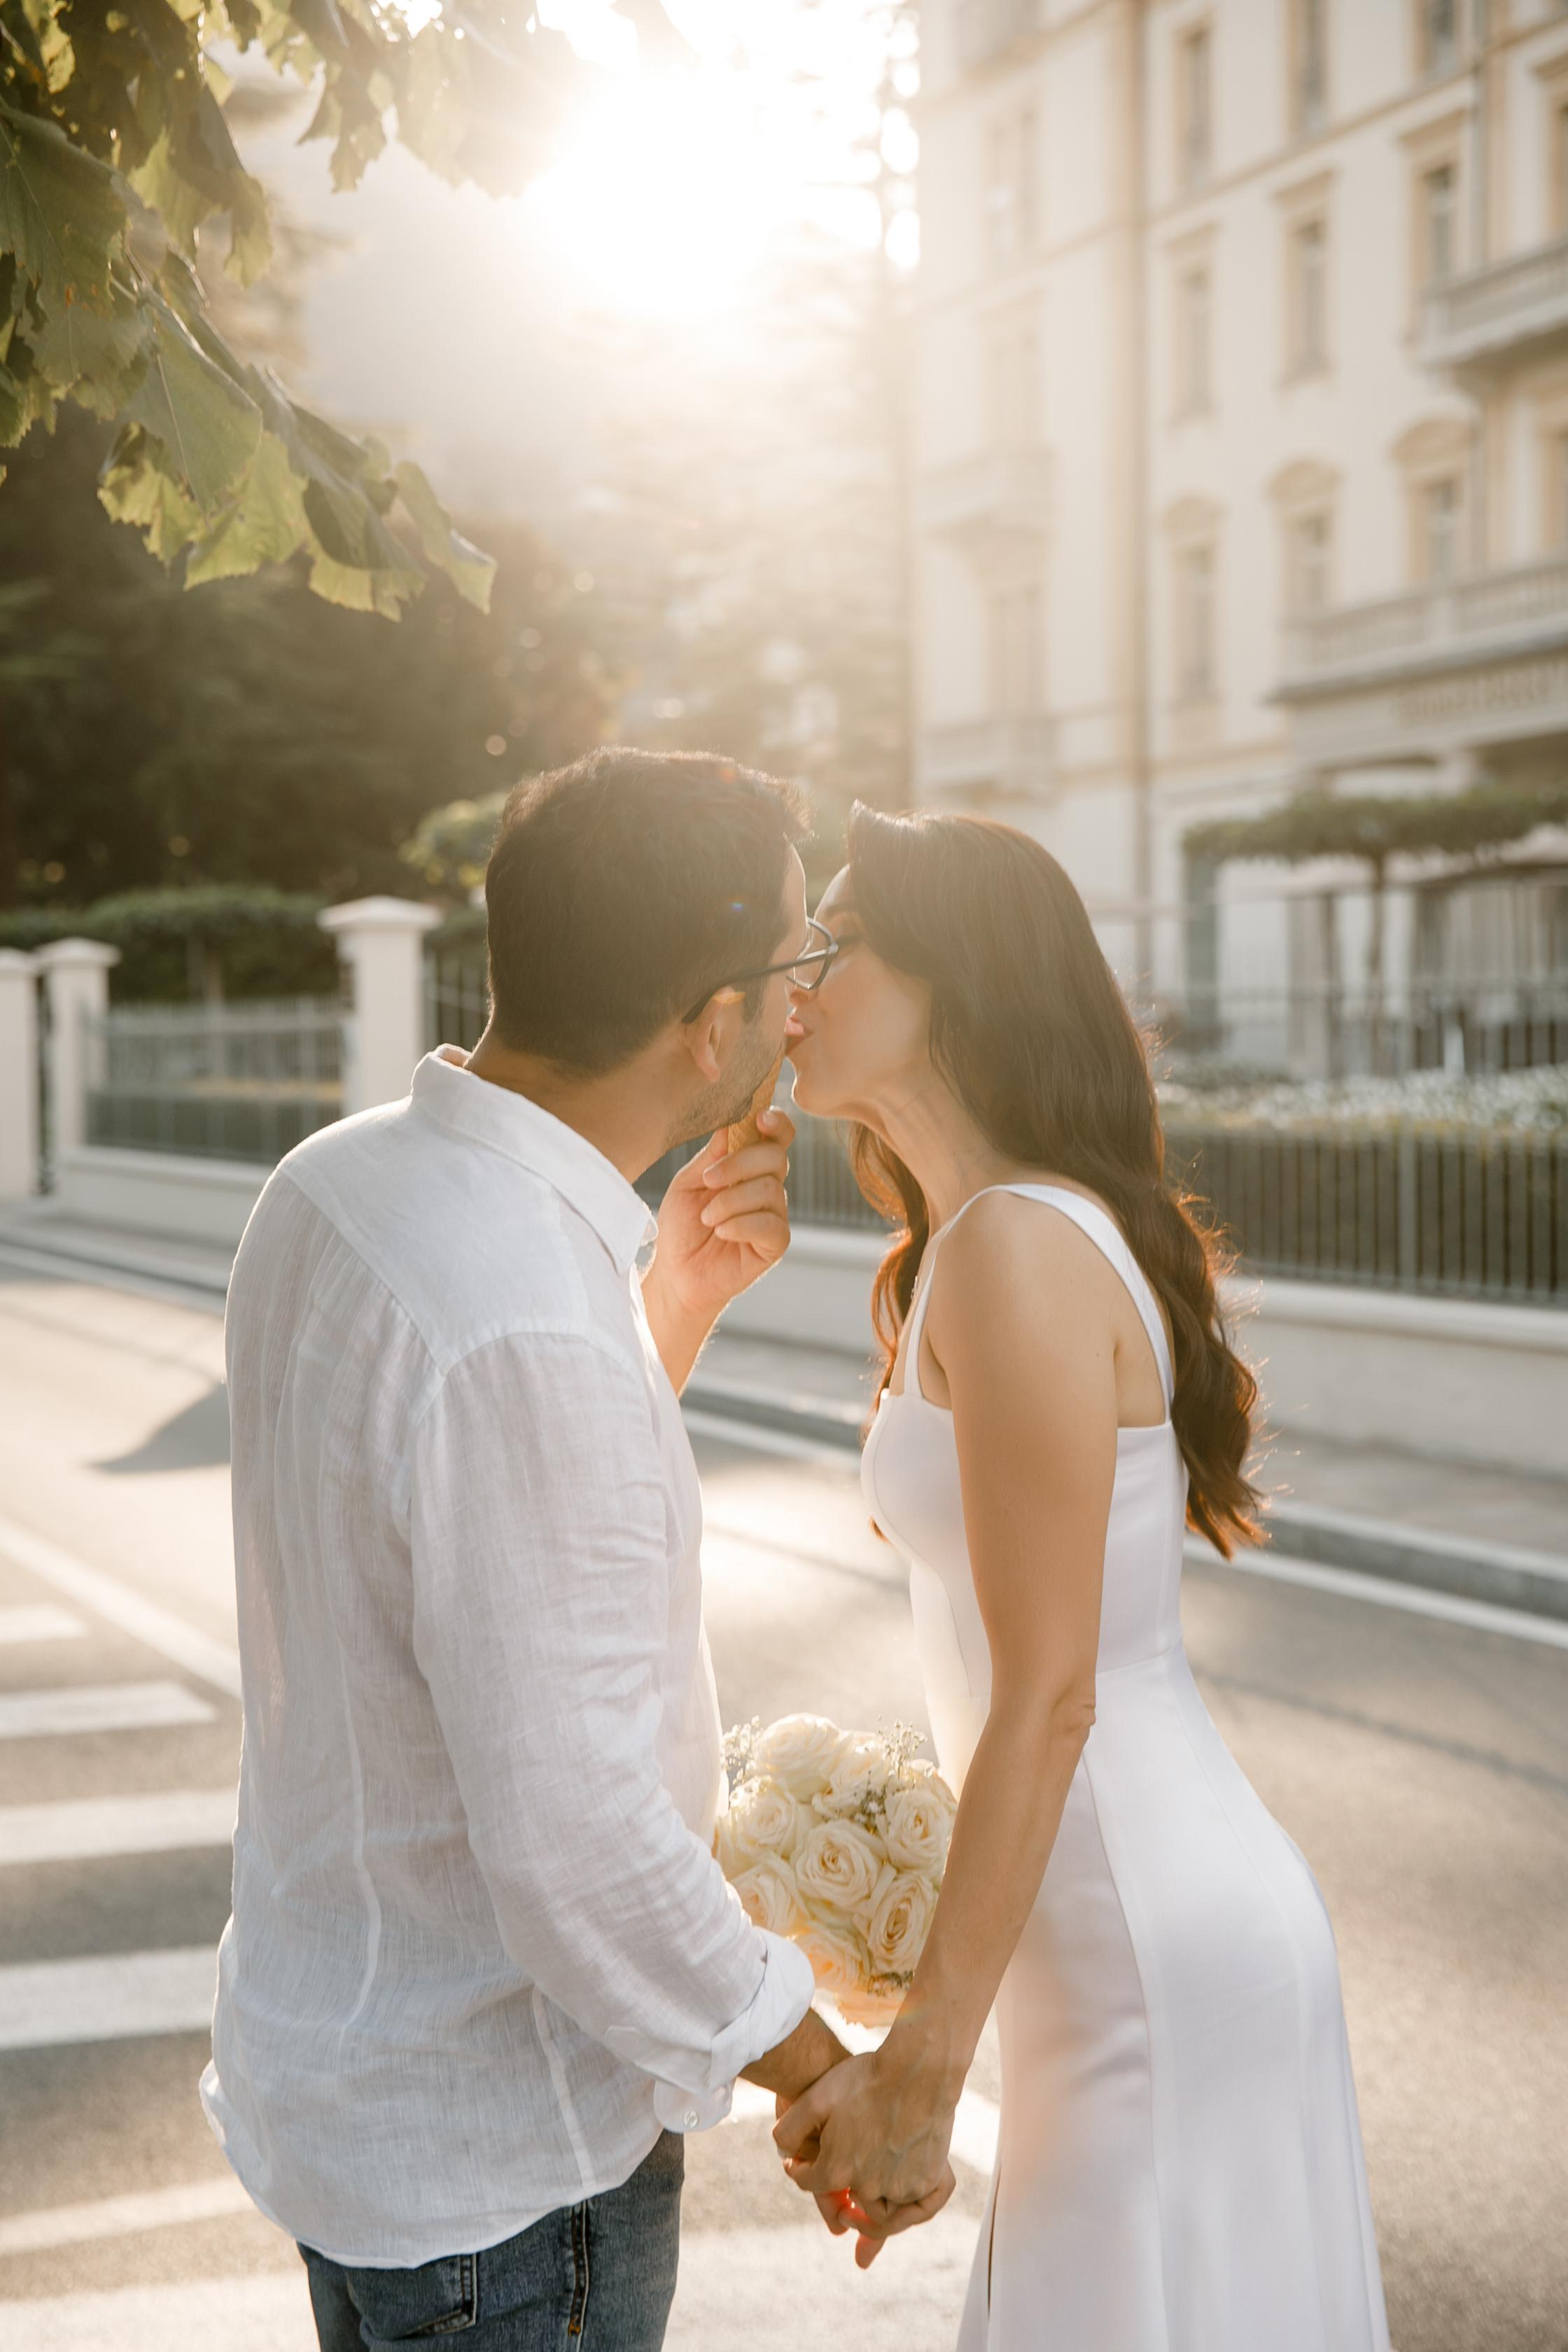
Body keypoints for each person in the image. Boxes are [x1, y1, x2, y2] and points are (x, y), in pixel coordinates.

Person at [201, 749, 948, 2352]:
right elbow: (578, 1843)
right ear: (708, 1025)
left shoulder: (328, 1187)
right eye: (790, 969)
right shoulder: (526, 1324)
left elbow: (448, 1543)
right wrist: (823, 2072)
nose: (801, 1005)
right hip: (506, 2183)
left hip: (354, 2100)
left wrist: (660, 1312)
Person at [774, 802, 1392, 2350]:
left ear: (951, 981)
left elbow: (1049, 1698)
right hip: (1113, 1930)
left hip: (1143, 1950)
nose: (794, 980)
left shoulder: (1014, 1249)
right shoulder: (963, 1248)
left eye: (831, 946)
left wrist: (923, 2064)